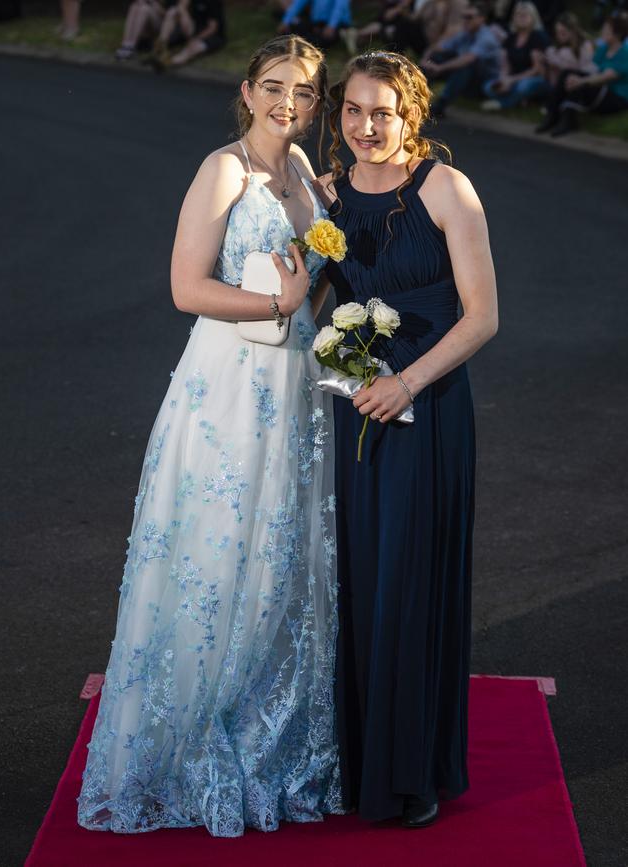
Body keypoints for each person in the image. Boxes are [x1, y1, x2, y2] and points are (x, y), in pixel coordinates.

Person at [77, 35, 342, 838]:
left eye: (302, 92)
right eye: (273, 87)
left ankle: (268, 722)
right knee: (216, 550)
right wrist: (279, 304)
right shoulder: (224, 168)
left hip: (294, 387)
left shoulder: (301, 172)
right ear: (246, 88)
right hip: (227, 390)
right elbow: (185, 286)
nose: (287, 103)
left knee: (278, 559)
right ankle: (185, 737)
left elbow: (307, 279)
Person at [317, 50, 498, 828]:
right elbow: (304, 295)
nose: (365, 126)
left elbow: (482, 315)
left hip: (428, 406)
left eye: (381, 111)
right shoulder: (326, 196)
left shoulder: (447, 189)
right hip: (356, 405)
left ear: (411, 115)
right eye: (353, 111)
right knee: (362, 576)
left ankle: (412, 770)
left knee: (411, 578)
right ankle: (359, 763)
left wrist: (409, 382)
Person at [536, 11, 628, 135]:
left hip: (616, 98)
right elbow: (590, 69)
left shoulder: (624, 53)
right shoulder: (603, 49)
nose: (602, 32)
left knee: (578, 81)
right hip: (600, 89)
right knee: (568, 74)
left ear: (618, 33)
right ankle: (553, 114)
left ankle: (568, 119)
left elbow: (605, 77)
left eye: (606, 30)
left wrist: (581, 81)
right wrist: (575, 77)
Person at [421, 1, 502, 116]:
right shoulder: (465, 33)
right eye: (464, 17)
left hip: (485, 84)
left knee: (466, 65)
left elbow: (469, 59)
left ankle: (441, 104)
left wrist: (440, 68)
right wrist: (425, 60)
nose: (465, 20)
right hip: (467, 76)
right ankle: (418, 97)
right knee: (436, 58)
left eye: (469, 17)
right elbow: (438, 47)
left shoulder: (486, 37)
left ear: (481, 19)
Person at [481, 1, 549, 110]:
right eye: (518, 14)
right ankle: (520, 100)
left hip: (534, 79)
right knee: (489, 87)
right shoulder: (511, 37)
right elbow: (505, 65)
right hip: (514, 78)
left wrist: (511, 80)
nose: (521, 18)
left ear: (533, 17)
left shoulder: (538, 37)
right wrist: (504, 80)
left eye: (525, 15)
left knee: (523, 87)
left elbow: (536, 70)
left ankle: (504, 104)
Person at [148, 0, 226, 70]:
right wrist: (183, 9)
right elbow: (180, 10)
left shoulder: (213, 2)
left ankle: (170, 62)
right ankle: (161, 45)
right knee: (174, 11)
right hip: (194, 30)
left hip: (211, 36)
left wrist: (196, 38)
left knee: (193, 47)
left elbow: (212, 28)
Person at [539, 12, 596, 88]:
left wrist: (559, 64)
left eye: (563, 33)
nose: (559, 36)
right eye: (557, 32)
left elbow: (586, 70)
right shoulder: (555, 48)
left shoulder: (585, 45)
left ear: (572, 31)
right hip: (556, 85)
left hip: (579, 83)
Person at [278, 0, 352, 48]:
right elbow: (297, 4)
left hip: (336, 24)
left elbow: (339, 8)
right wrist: (285, 21)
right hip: (316, 24)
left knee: (323, 40)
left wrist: (331, 26)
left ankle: (344, 34)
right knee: (291, 28)